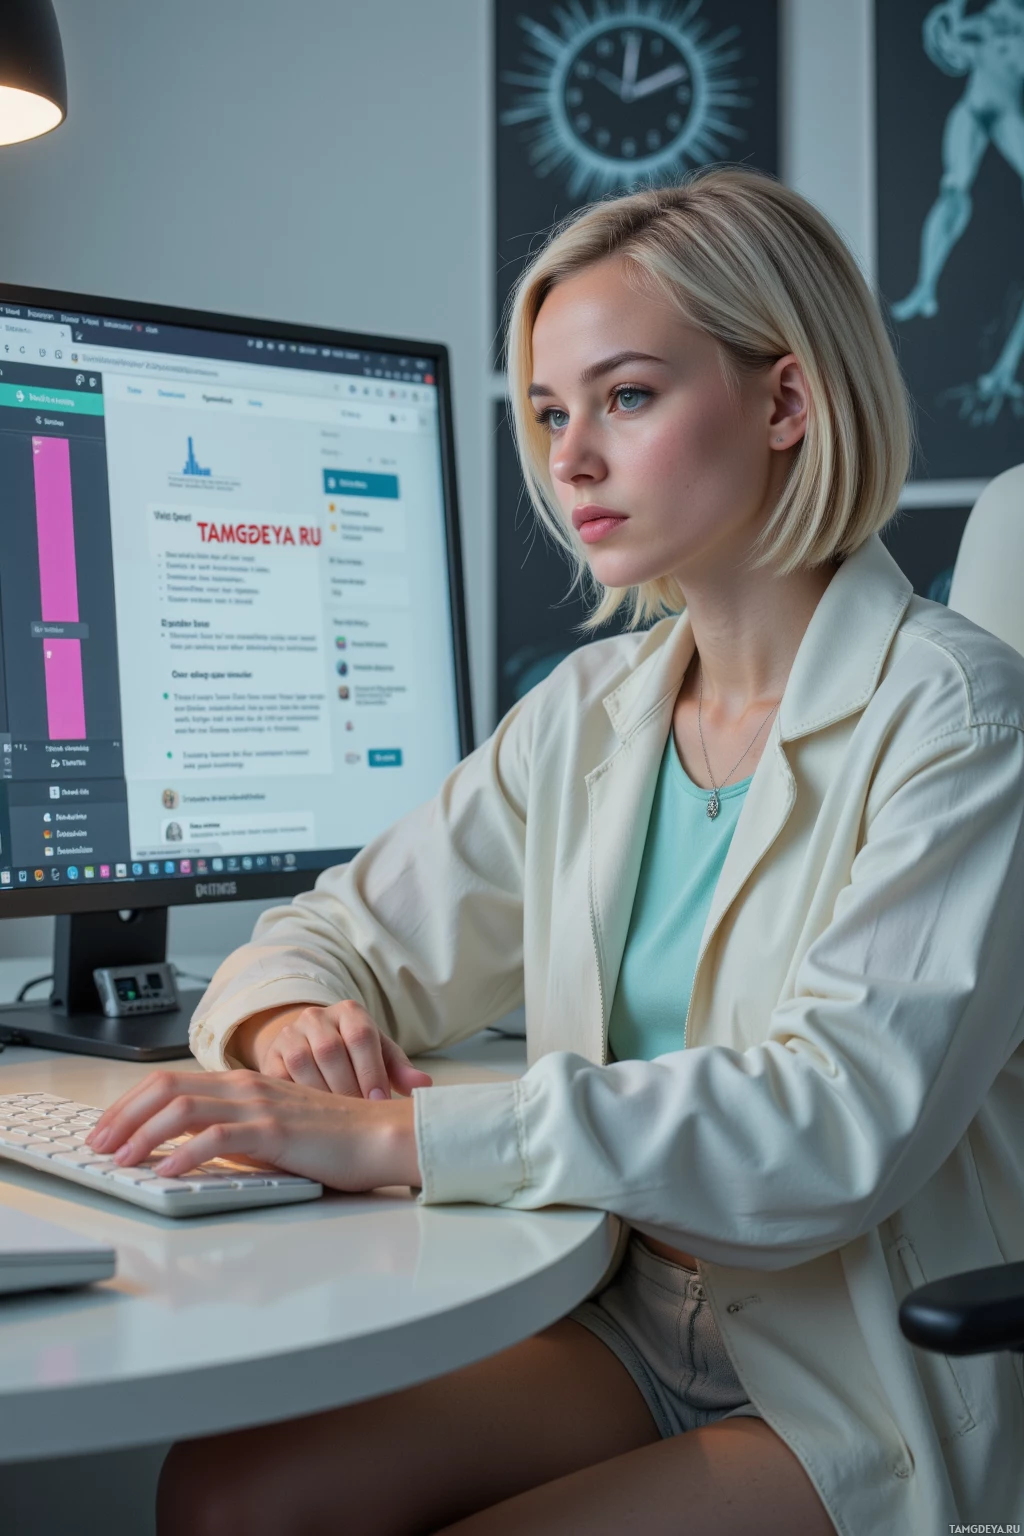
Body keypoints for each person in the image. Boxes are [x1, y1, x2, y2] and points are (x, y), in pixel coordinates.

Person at [89, 167, 1024, 1536]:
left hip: (858, 1375)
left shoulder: (960, 718)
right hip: (638, 1322)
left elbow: (831, 1126)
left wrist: (401, 1136)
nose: (569, 456)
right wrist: (294, 1029)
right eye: (547, 412)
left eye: (627, 397)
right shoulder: (594, 713)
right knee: (235, 1498)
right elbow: (335, 931)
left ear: (785, 404)